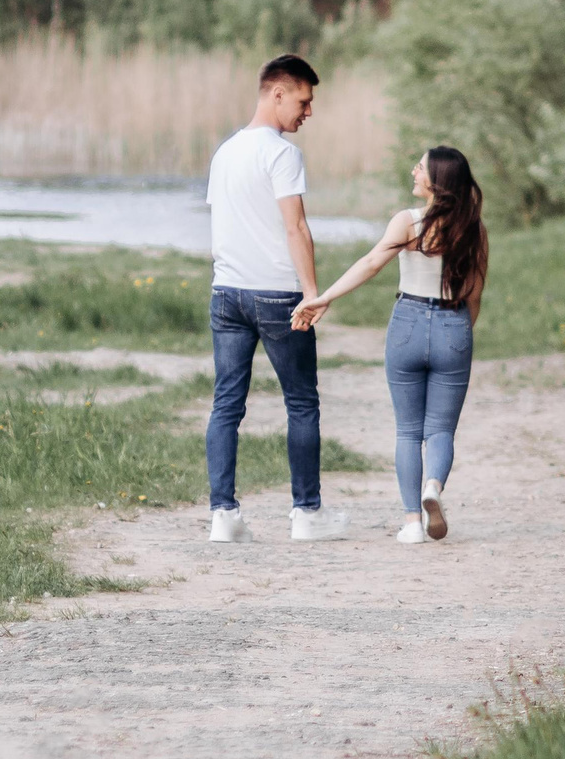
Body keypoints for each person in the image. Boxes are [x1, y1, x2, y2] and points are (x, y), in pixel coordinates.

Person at [294, 146, 488, 543]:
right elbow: (475, 293)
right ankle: (433, 486)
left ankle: (412, 524)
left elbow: (369, 264)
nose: (414, 171)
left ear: (437, 181)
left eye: (421, 167)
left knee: (407, 431)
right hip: (454, 325)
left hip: (407, 325)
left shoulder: (408, 222)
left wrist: (324, 297)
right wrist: (459, 335)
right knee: (441, 431)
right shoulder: (474, 229)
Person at [204, 54, 341, 543]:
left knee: (226, 405)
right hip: (279, 295)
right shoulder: (282, 154)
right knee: (301, 402)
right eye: (303, 101)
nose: (308, 112)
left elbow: (223, 224)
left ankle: (224, 516)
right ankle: (307, 514)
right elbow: (295, 226)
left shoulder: (225, 152)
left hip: (227, 293)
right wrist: (311, 294)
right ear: (276, 93)